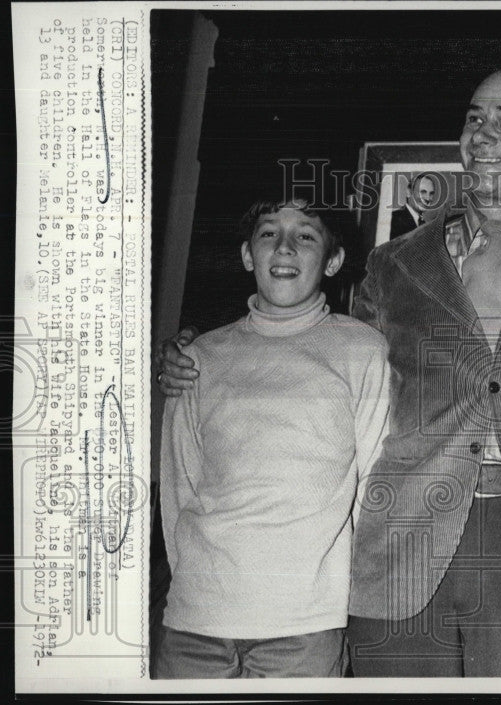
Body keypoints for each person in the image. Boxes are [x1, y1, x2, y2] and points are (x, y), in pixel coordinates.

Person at [156, 67, 501, 677]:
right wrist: (192, 344)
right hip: (404, 539)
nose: (483, 134)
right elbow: (316, 346)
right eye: (474, 118)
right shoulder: (393, 263)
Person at [153, 199, 391, 678]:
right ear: (247, 255)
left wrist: (340, 604)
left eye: (305, 235)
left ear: (333, 261)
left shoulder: (362, 351)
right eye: (268, 234)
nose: (284, 247)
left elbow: (374, 490)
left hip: (303, 627)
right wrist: (196, 589)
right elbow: (178, 490)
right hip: (194, 622)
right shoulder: (200, 356)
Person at [389, 172, 437, 239]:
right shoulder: (394, 220)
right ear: (409, 192)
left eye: (431, 193)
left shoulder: (425, 225)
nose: (428, 198)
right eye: (423, 192)